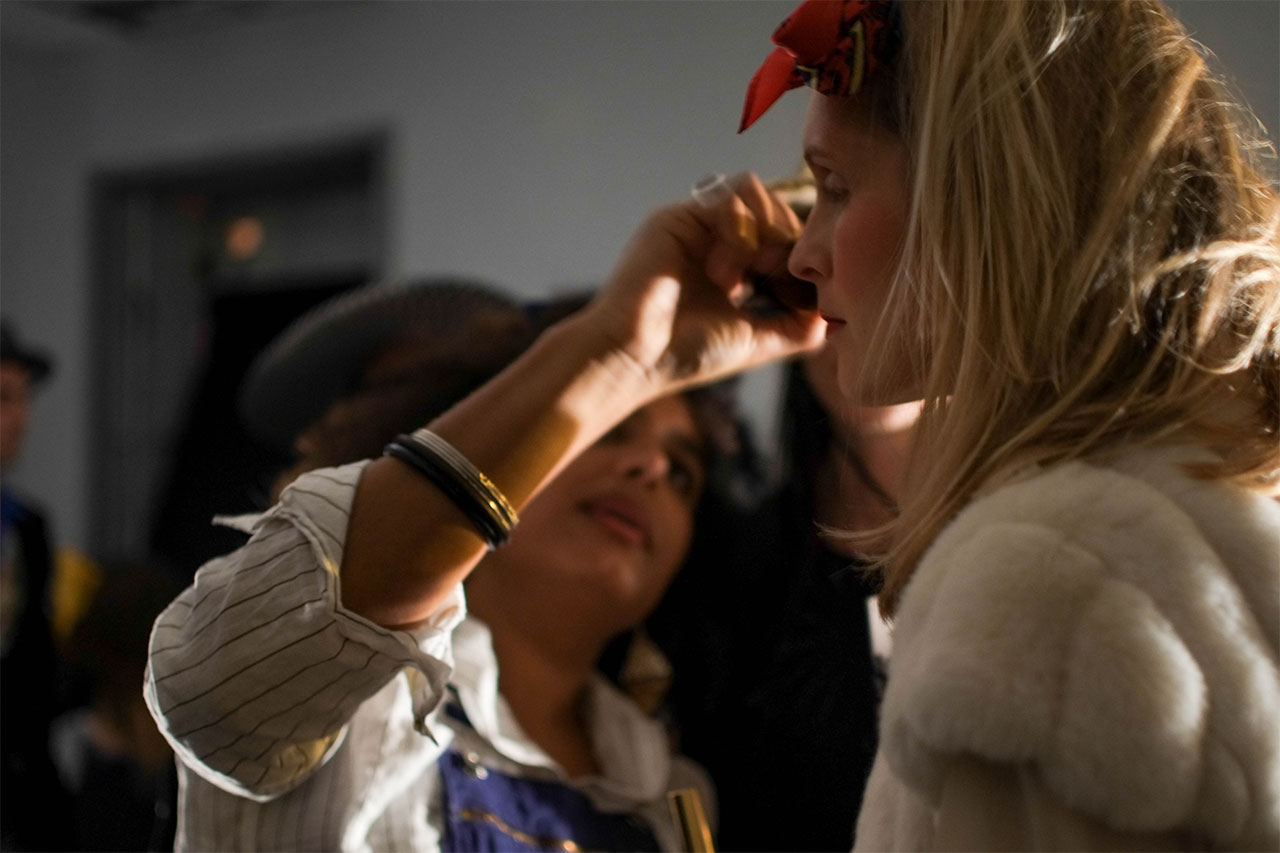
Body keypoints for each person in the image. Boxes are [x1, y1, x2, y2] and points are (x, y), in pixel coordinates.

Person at [734, 0, 1279, 849]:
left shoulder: (1042, 587)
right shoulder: (1194, 515)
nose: (804, 255)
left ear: (983, 204)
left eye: (835, 188)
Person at [144, 278, 769, 851]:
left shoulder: (673, 797)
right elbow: (215, 699)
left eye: (682, 473)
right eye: (611, 429)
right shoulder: (346, 698)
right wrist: (609, 345)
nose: (652, 468)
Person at [0, 319, 75, 851]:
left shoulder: (28, 527)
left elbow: (34, 672)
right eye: (4, 399)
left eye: (24, 399)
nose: (21, 419)